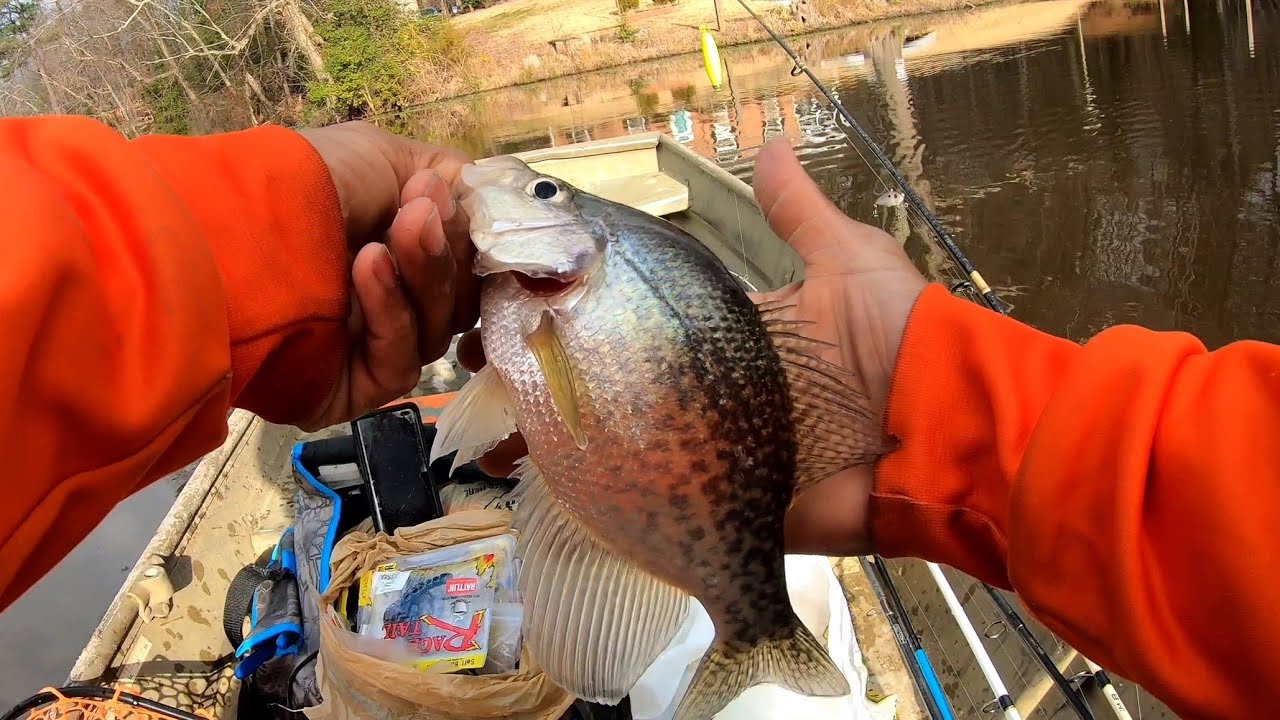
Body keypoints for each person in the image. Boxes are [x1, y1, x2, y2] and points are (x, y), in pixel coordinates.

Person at [0, 116, 1274, 719]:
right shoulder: (543, 293)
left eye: (538, 190)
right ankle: (750, 627)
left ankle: (749, 631)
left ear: (566, 230)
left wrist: (240, 252)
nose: (517, 194)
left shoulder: (557, 290)